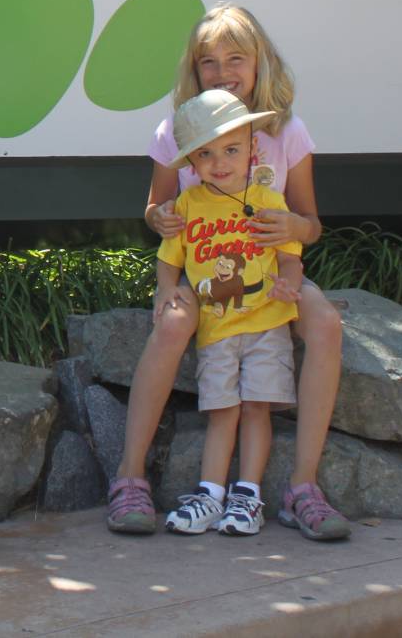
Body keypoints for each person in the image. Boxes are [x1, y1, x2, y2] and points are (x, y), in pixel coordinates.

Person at [105, 3, 352, 541]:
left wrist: (293, 224)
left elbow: (312, 225)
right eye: (208, 63)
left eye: (235, 58)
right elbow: (155, 210)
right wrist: (161, 219)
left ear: (261, 62)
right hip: (201, 271)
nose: (222, 73)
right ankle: (130, 478)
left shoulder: (287, 131)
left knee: (327, 324)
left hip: (269, 270)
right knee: (172, 325)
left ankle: (302, 488)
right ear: (193, 72)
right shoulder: (178, 129)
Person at [153, 90, 303, 535]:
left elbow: (291, 254)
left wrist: (290, 282)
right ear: (192, 164)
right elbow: (170, 255)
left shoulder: (269, 201)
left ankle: (248, 497)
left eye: (232, 149)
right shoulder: (189, 204)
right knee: (222, 410)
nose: (220, 162)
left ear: (252, 149)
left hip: (266, 324)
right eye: (206, 154)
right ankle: (211, 495)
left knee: (257, 407)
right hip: (216, 328)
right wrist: (165, 289)